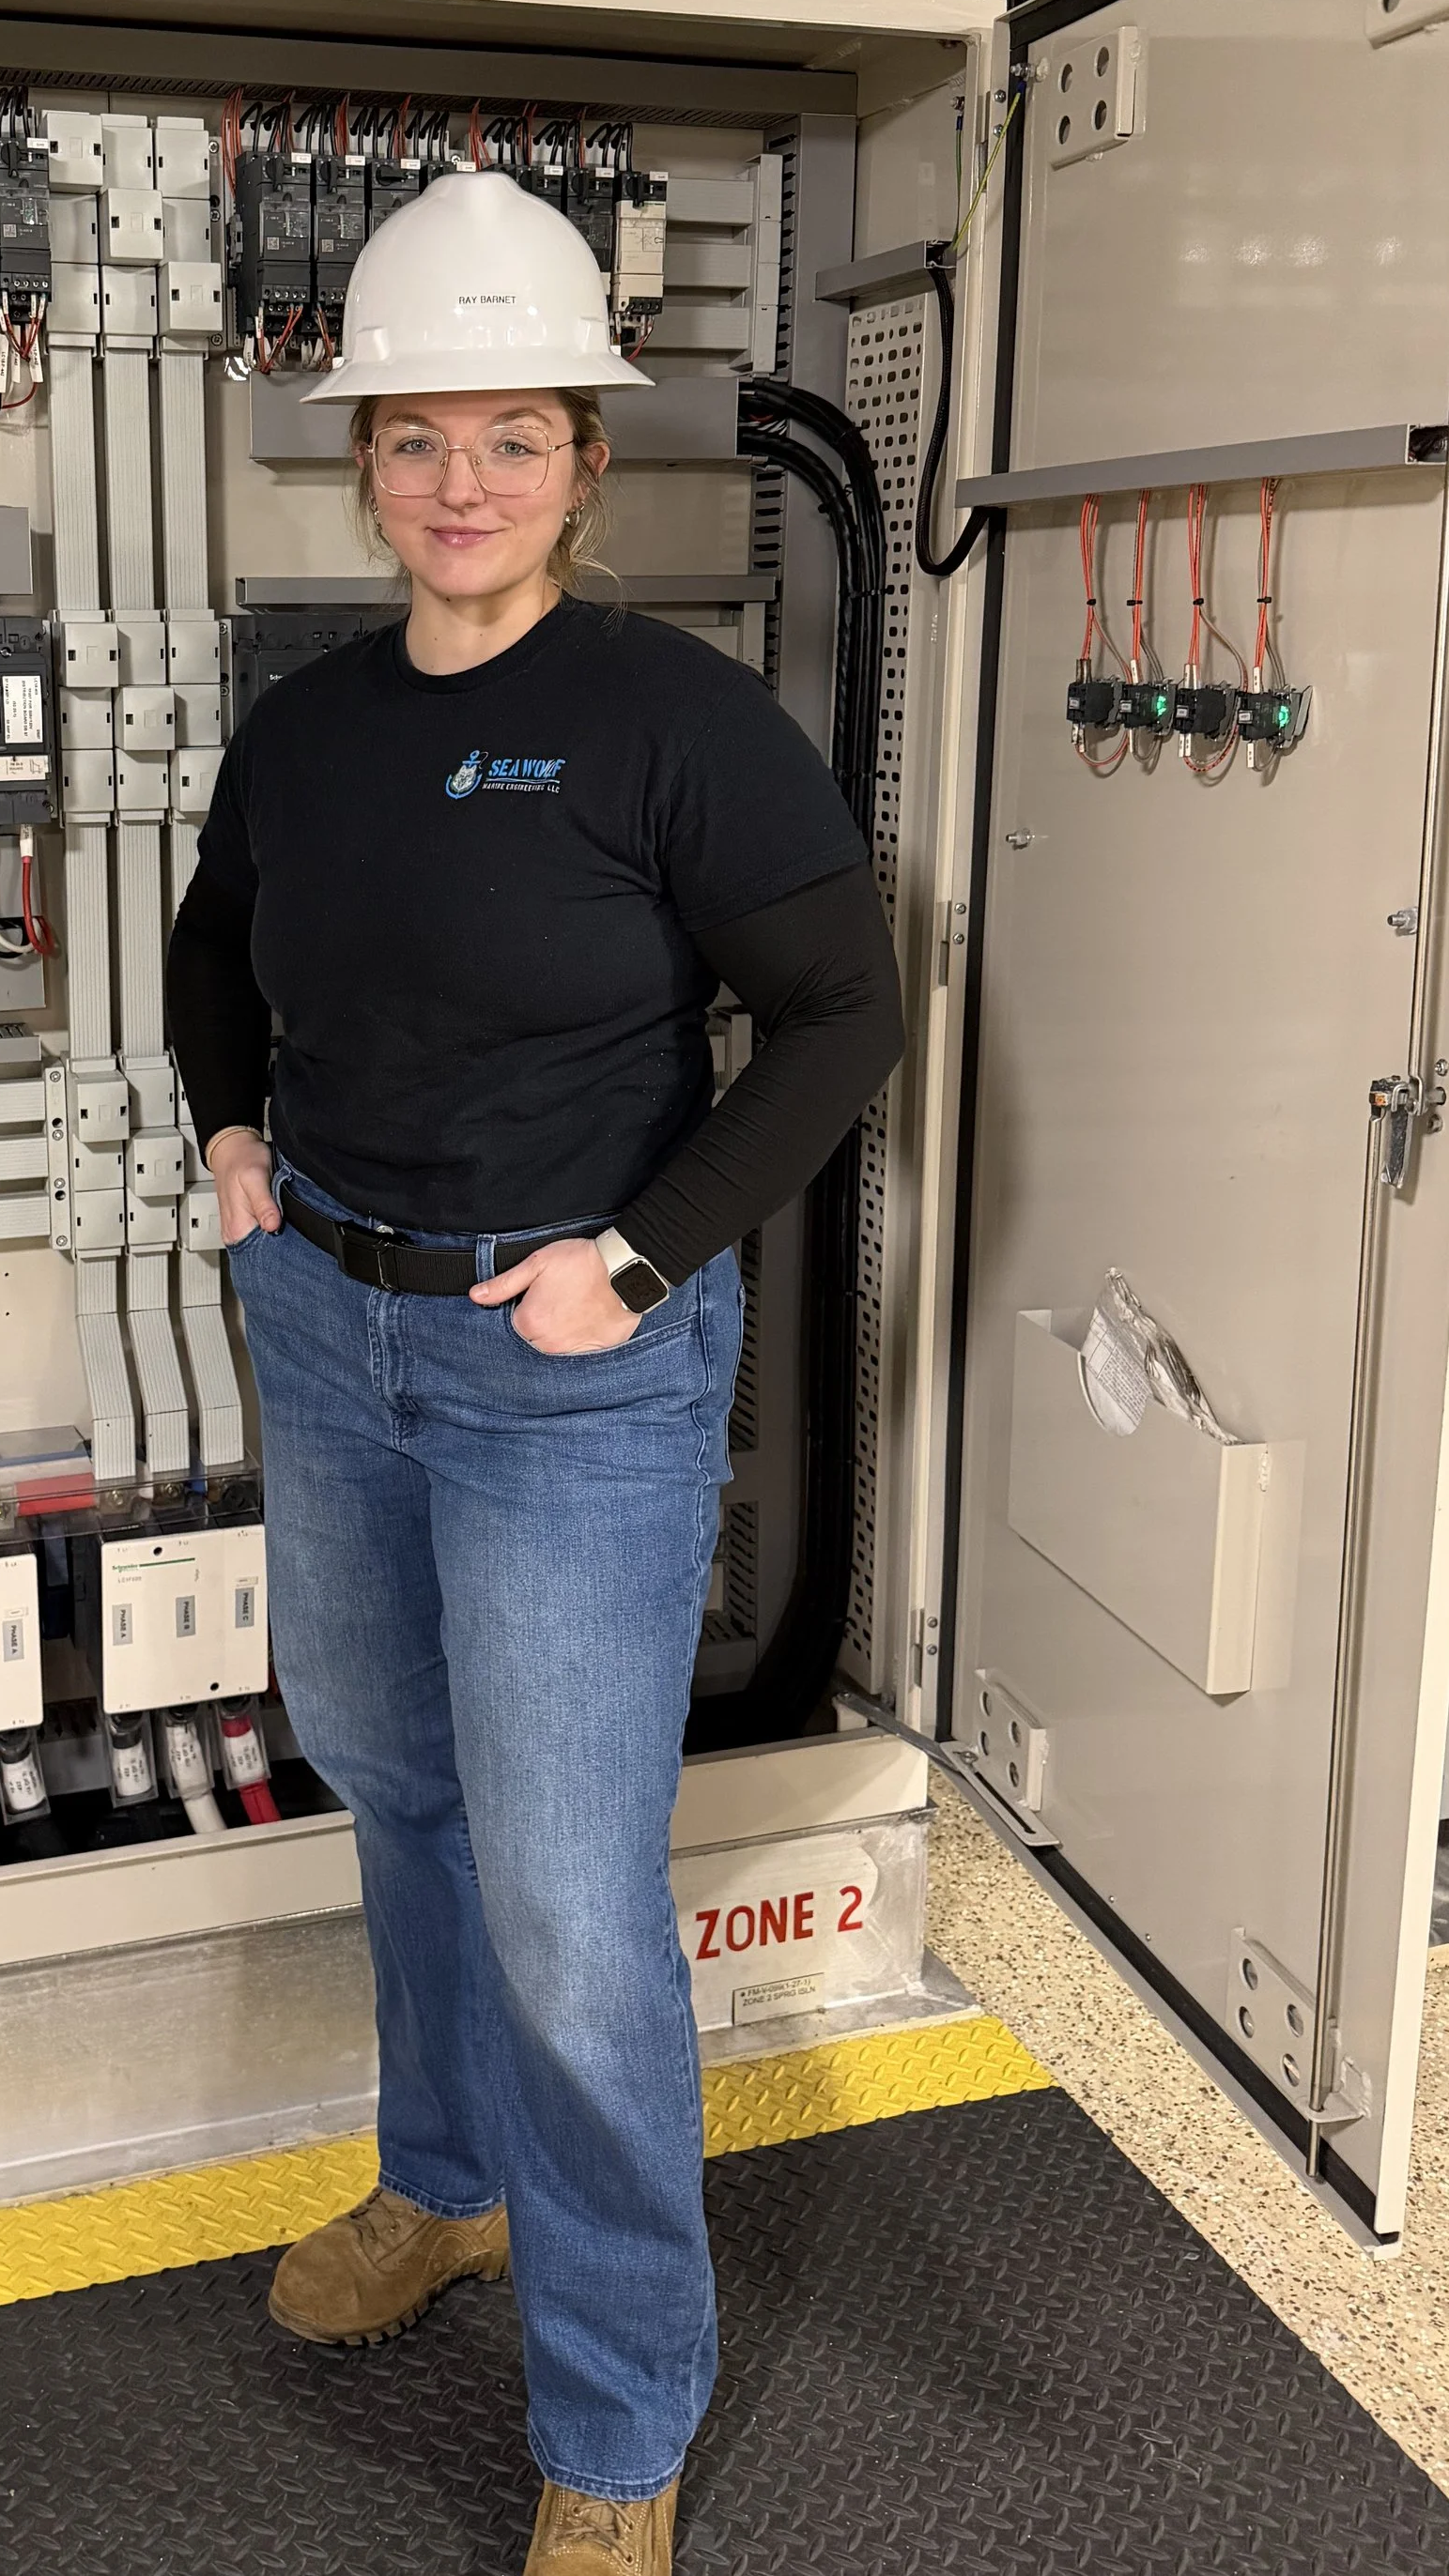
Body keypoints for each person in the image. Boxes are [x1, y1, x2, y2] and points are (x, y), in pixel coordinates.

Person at [165, 166, 904, 2576]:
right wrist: (232, 1135)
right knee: (395, 1786)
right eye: (415, 437)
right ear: (362, 460)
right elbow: (212, 944)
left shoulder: (673, 723)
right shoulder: (306, 726)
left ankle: (613, 2421)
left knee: (573, 1907)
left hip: (563, 1366)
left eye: (509, 436)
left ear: (585, 459)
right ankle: (445, 2182)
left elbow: (838, 1017)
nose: (457, 482)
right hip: (330, 1324)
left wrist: (640, 1257)